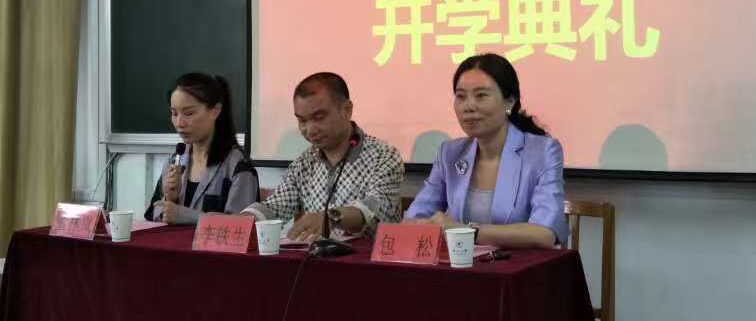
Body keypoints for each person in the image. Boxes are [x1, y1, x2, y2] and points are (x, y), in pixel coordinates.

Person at [405, 53, 568, 248]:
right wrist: (423, 225)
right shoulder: (450, 153)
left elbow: (545, 233)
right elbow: (413, 219)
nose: (469, 106)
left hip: (519, 265)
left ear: (510, 101)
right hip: (463, 263)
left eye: (481, 95)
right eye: (461, 96)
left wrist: (466, 231)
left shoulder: (542, 152)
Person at [242, 72, 404, 241]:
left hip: (370, 256)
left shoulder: (383, 156)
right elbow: (276, 207)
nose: (310, 129)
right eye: (302, 121)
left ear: (347, 110)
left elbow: (376, 206)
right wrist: (241, 220)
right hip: (317, 256)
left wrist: (331, 218)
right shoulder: (304, 163)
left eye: (319, 118)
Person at [145, 73, 259, 224]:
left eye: (189, 113)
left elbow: (241, 226)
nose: (179, 123)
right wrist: (170, 198)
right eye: (174, 113)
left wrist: (186, 215)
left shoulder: (238, 166)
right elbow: (151, 216)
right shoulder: (175, 160)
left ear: (215, 111)